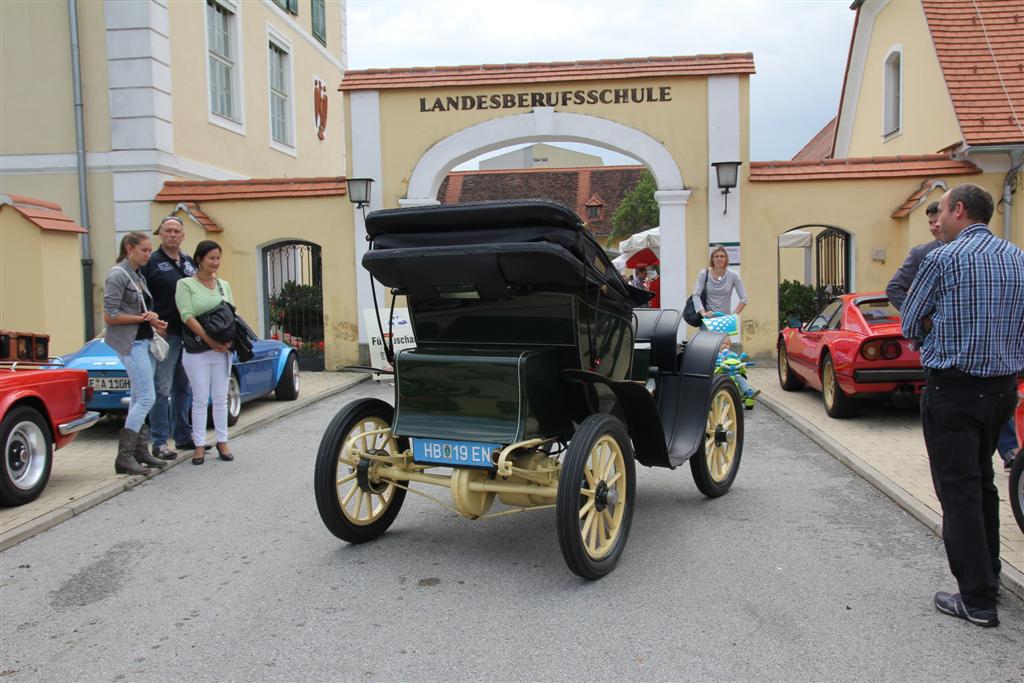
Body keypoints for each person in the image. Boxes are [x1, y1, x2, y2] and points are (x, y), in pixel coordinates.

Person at [901, 183, 1024, 628]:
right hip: (1002, 388)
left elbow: (911, 320)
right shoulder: (1018, 258)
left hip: (953, 388)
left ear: (958, 209)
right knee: (984, 482)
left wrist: (942, 332)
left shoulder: (943, 257)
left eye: (944, 211)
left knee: (959, 491)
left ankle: (976, 599)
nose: (940, 221)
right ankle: (988, 575)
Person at [103, 232, 170, 475]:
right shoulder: (117, 275)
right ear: (129, 249)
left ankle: (140, 451)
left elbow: (138, 309)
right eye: (144, 250)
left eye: (150, 250)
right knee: (146, 398)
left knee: (137, 397)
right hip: (130, 344)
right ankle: (125, 457)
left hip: (144, 341)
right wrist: (142, 318)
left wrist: (152, 320)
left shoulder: (137, 275)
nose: (148, 254)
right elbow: (110, 315)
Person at [141, 216, 198, 460]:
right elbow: (141, 297)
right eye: (168, 231)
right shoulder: (151, 262)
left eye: (177, 231)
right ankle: (160, 442)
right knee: (161, 388)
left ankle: (183, 436)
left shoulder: (188, 262)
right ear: (160, 234)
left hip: (187, 333)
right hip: (164, 334)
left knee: (183, 387)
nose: (172, 235)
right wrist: (152, 323)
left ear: (183, 236)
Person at [176, 240, 235, 466]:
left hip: (222, 350)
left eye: (218, 258)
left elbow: (230, 314)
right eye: (211, 258)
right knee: (200, 399)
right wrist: (210, 341)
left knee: (220, 397)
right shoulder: (186, 284)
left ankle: (223, 440)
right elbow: (187, 315)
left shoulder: (223, 285)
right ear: (199, 259)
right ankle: (199, 444)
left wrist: (228, 341)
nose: (215, 262)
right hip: (198, 348)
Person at [886, 201, 942, 311]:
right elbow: (894, 289)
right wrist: (918, 316)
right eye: (930, 223)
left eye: (937, 222)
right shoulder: (921, 253)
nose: (933, 227)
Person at [692, 245, 748, 318]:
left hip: (725, 320)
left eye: (722, 256)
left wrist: (733, 316)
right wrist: (703, 313)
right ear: (712, 259)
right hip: (708, 320)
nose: (719, 259)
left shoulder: (733, 275)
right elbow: (696, 295)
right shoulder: (704, 273)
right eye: (716, 256)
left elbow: (744, 298)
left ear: (726, 259)